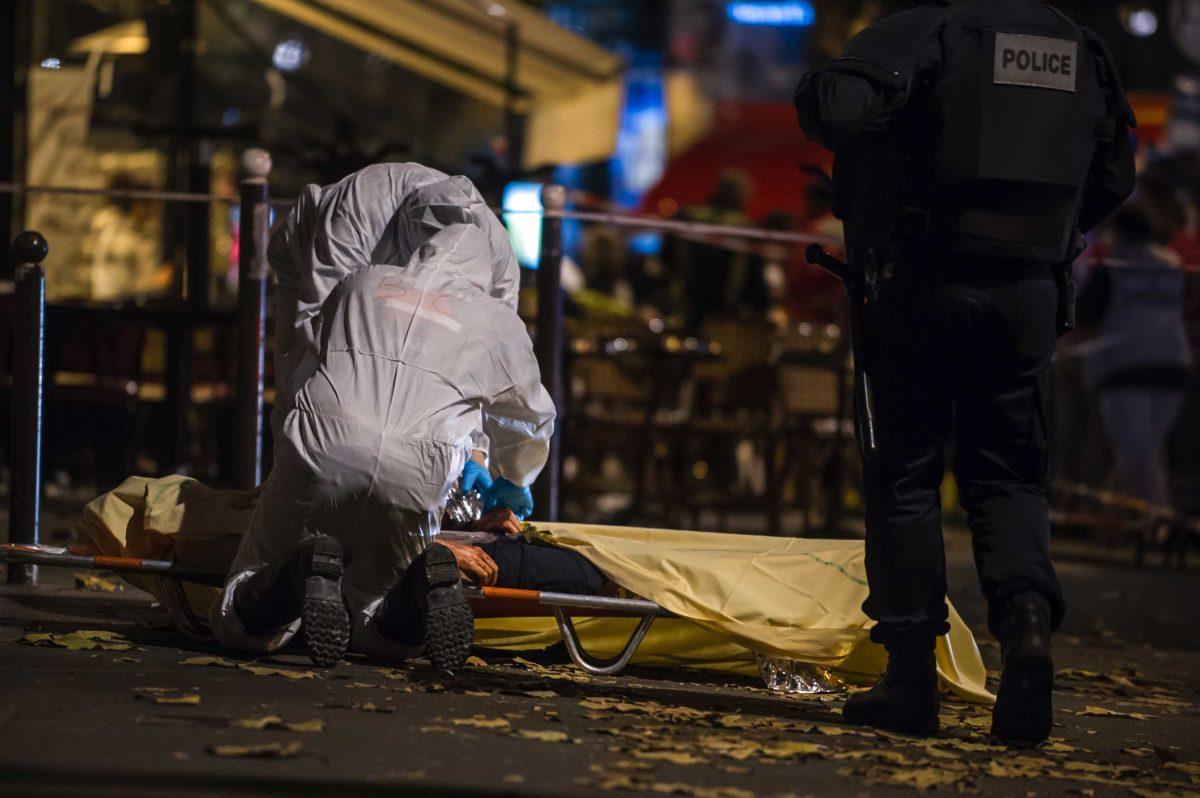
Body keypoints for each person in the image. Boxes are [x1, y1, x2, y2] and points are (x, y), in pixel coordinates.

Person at [794, 0, 1135, 744]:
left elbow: (839, 107)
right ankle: (1027, 629)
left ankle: (911, 680)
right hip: (1028, 292)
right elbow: (1116, 174)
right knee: (1008, 476)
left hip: (920, 280)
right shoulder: (1079, 46)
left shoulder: (926, 30)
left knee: (906, 475)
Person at [210, 166, 555, 674]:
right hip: (417, 470)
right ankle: (418, 587)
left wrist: (291, 466)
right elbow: (526, 414)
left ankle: (301, 566)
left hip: (326, 438)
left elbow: (307, 367)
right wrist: (508, 482)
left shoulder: (362, 282)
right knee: (377, 621)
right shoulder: (496, 317)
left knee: (239, 619)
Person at [1078, 201, 1192, 559]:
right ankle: (1116, 528)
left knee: (1136, 454)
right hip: (1172, 365)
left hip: (1123, 365)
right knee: (1144, 454)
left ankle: (1165, 523)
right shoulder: (1172, 263)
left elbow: (1087, 313)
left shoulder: (1113, 265)